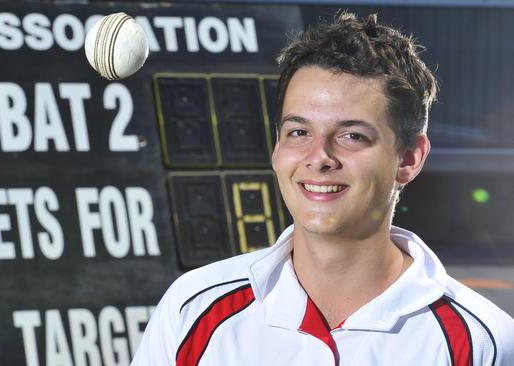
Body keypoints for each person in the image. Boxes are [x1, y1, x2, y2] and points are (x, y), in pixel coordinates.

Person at [131, 12, 514, 366]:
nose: (319, 157)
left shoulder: (482, 342)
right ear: (277, 147)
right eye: (299, 132)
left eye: (352, 135)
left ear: (408, 159)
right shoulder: (192, 309)